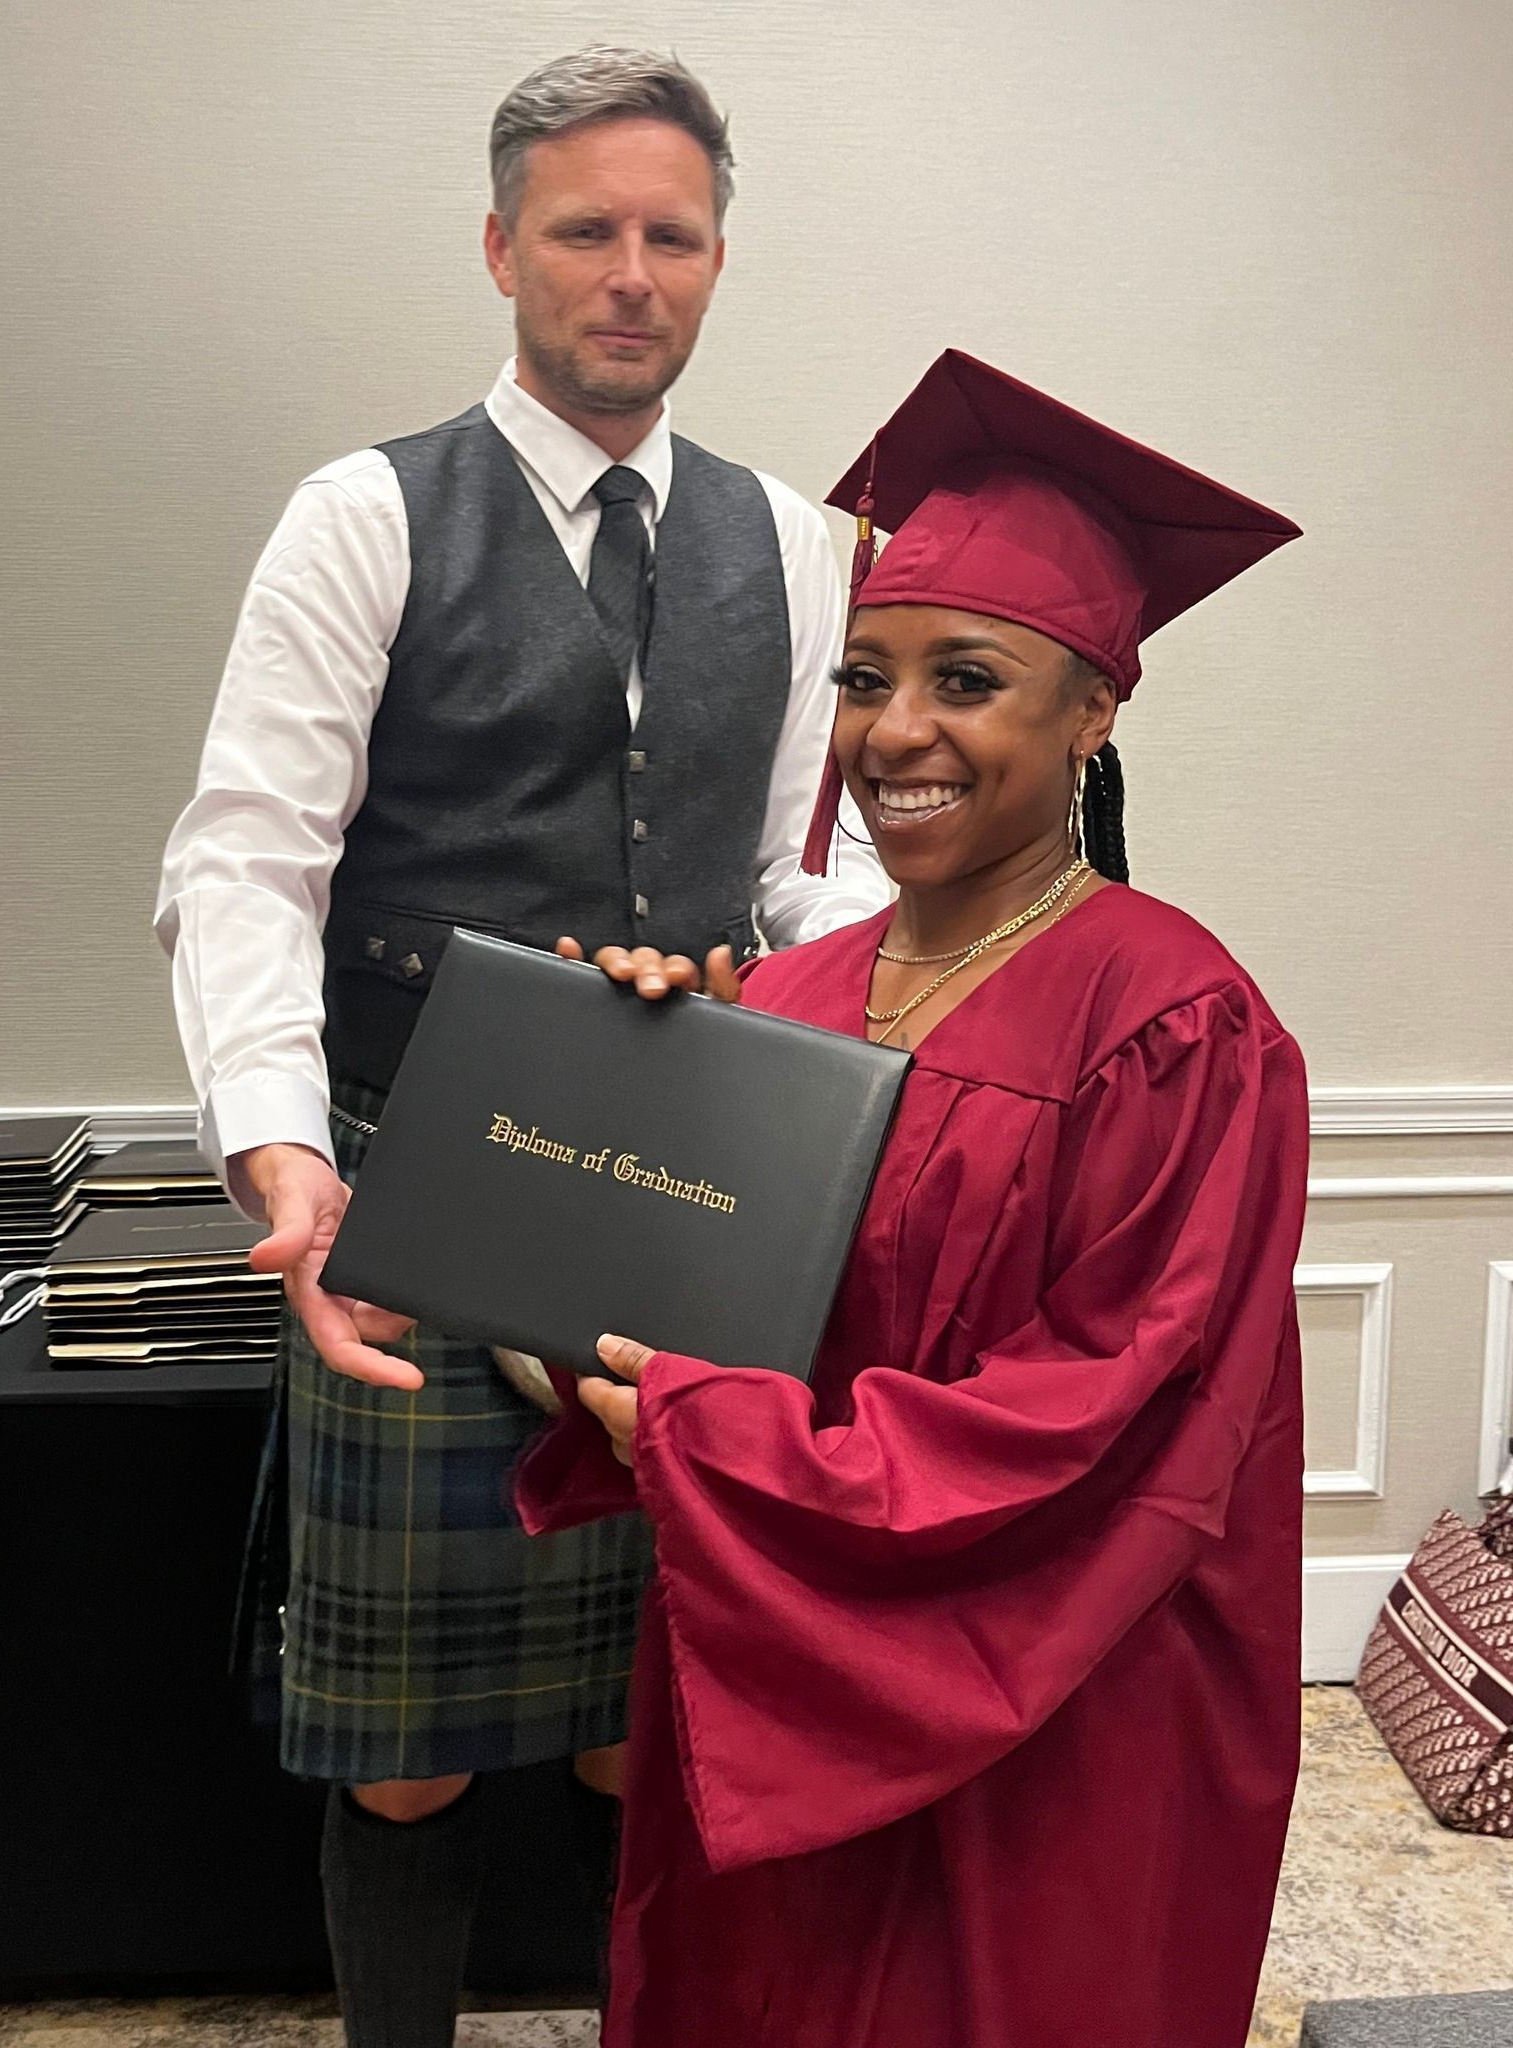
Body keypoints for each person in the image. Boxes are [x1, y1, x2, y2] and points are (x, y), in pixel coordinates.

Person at [153, 46, 886, 2048]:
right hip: (420, 1188)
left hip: (692, 1203)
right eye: (584, 230)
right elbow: (245, 865)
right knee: (404, 1742)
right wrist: (283, 1157)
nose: (629, 271)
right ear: (501, 248)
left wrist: (804, 978)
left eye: (672, 233)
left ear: (720, 259)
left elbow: (797, 874)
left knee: (659, 1715)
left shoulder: (806, 548)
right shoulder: (360, 516)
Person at [518, 349, 1309, 2048]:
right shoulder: (787, 1007)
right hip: (789, 1664)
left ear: (1096, 709)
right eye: (868, 678)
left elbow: (1100, 1419)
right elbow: (671, 1327)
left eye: (969, 678)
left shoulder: (1177, 1026)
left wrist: (713, 1443)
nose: (898, 733)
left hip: (1056, 1698)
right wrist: (604, 1112)